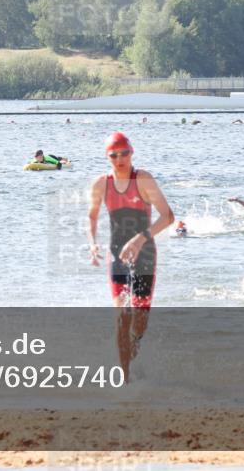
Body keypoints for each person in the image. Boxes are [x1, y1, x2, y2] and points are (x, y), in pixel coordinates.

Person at [87, 131, 174, 378]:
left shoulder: (143, 179)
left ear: (132, 152)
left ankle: (135, 346)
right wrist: (93, 243)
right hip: (117, 256)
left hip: (145, 253)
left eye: (124, 153)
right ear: (107, 157)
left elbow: (168, 217)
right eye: (114, 155)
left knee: (140, 318)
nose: (120, 159)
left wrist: (139, 239)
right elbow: (91, 216)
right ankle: (124, 378)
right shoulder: (101, 183)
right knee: (122, 317)